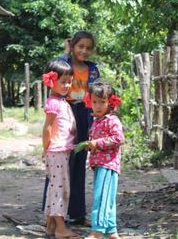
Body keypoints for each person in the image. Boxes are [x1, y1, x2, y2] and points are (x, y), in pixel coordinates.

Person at [43, 31, 100, 226]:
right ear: (72, 46)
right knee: (58, 165)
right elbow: (53, 69)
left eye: (88, 47)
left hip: (83, 117)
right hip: (62, 115)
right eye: (80, 46)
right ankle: (51, 215)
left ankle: (76, 214)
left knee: (78, 165)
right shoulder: (64, 64)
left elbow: (96, 94)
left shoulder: (93, 70)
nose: (84, 51)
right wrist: (65, 52)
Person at [41, 60, 80, 238]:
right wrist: (46, 148)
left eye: (69, 81)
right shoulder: (54, 103)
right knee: (60, 189)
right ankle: (61, 228)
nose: (67, 85)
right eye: (63, 81)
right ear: (51, 81)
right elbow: (47, 128)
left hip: (61, 151)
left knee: (56, 187)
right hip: (56, 151)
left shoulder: (61, 101)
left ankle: (50, 226)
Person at [83, 80, 124, 239]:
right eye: (94, 102)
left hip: (108, 165)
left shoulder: (112, 120)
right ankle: (112, 231)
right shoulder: (98, 120)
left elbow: (118, 138)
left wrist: (97, 143)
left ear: (110, 102)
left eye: (102, 102)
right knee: (107, 199)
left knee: (101, 199)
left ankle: (97, 231)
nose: (98, 106)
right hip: (101, 164)